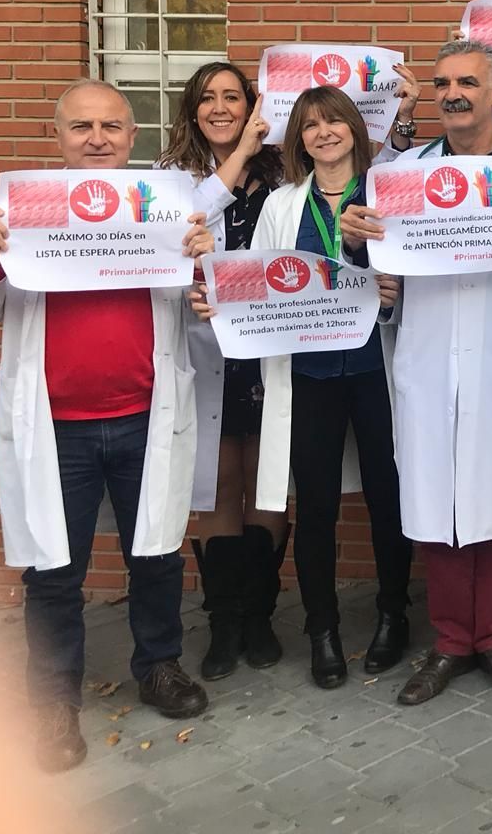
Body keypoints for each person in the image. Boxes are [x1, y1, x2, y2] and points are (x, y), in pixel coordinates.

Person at [0, 80, 213, 773]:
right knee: (55, 568)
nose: (97, 139)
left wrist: (202, 256)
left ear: (132, 135)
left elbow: (201, 304)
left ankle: (159, 665)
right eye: (82, 126)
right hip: (56, 425)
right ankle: (55, 700)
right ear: (58, 136)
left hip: (147, 413)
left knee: (156, 551)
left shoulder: (164, 207)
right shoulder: (19, 214)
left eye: (111, 127)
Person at [340, 40, 492, 705]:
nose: (454, 93)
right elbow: (373, 276)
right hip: (429, 356)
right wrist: (357, 241)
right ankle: (449, 643)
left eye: (468, 82)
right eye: (442, 84)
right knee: (436, 500)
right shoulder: (402, 172)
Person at [242, 87, 411, 689]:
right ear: (298, 140)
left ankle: (395, 614)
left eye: (333, 120)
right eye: (310, 125)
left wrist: (392, 299)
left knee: (388, 495)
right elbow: (259, 284)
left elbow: (417, 276)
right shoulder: (281, 206)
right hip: (309, 375)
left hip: (374, 370)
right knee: (316, 506)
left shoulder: (388, 193)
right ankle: (323, 629)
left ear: (354, 128)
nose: (324, 133)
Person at [159, 62, 290, 680]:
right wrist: (238, 156)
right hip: (202, 349)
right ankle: (224, 622)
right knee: (216, 483)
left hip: (267, 349)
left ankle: (260, 615)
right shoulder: (170, 178)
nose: (219, 107)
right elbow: (179, 230)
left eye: (232, 97)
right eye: (206, 98)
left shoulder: (284, 174)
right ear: (191, 109)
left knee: (265, 479)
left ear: (252, 107)